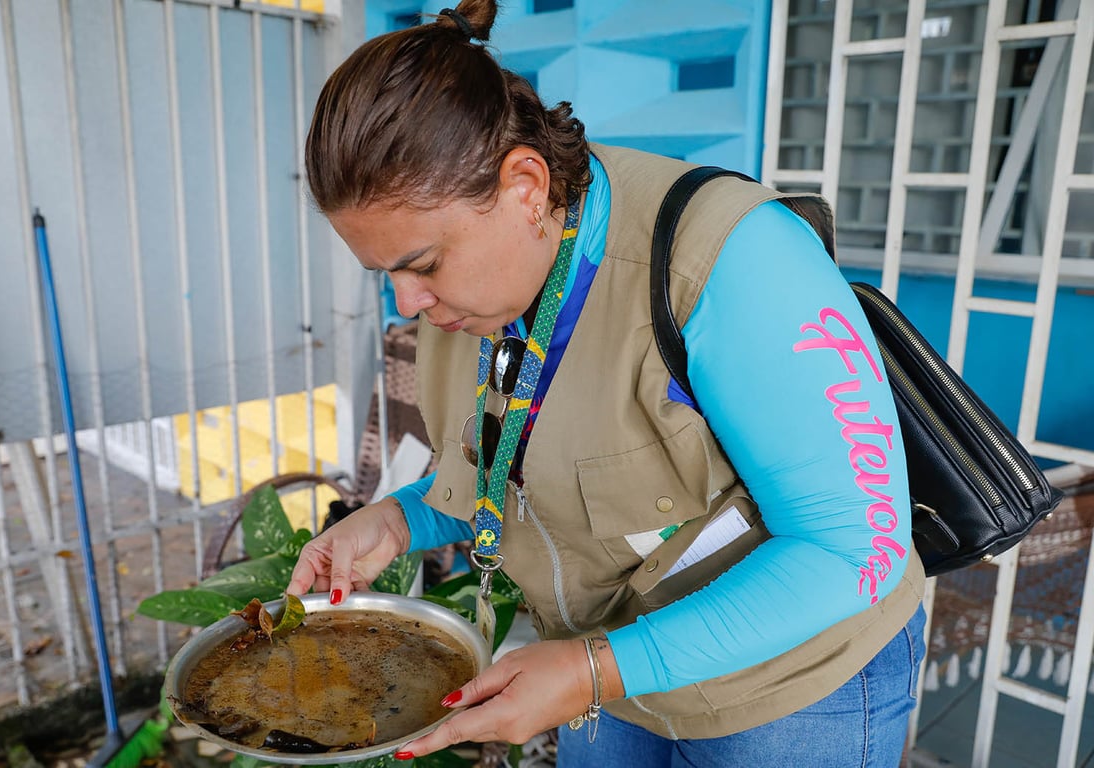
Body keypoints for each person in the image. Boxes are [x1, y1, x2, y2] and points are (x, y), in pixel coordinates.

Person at [287, 1, 927, 765]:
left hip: (789, 694)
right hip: (611, 676)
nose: (408, 304)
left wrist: (595, 670)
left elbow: (854, 548)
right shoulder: (468, 297)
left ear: (526, 184)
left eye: (422, 265)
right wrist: (396, 522)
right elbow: (517, 474)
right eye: (385, 274)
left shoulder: (733, 258)